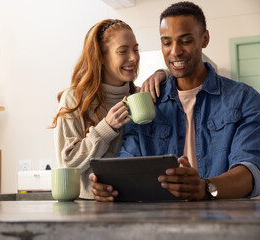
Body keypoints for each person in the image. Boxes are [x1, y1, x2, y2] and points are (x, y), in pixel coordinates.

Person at [90, 1, 260, 201]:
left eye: (185, 41)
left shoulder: (244, 99)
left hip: (223, 221)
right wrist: (110, 185)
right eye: (167, 42)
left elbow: (250, 169)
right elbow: (128, 160)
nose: (175, 51)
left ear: (204, 39)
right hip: (161, 223)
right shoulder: (147, 103)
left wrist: (206, 187)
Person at [52, 19, 168, 199]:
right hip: (89, 208)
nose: (134, 57)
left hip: (137, 203)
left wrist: (163, 74)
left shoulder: (139, 96)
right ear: (101, 57)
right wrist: (106, 128)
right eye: (123, 51)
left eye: (135, 49)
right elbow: (67, 164)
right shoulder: (74, 98)